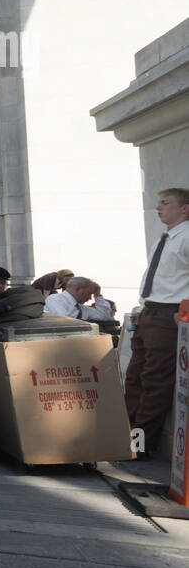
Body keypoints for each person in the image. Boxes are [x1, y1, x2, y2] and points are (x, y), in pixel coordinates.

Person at [125, 188, 189, 458]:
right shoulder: (165, 238)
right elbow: (155, 276)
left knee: (154, 380)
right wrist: (141, 306)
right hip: (150, 311)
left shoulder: (186, 237)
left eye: (165, 203)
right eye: (159, 203)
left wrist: (184, 311)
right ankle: (125, 436)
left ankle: (140, 446)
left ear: (184, 208)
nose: (159, 208)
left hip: (169, 314)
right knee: (135, 376)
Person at [44, 276, 115, 322]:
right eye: (89, 293)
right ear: (78, 289)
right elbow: (64, 321)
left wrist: (98, 295)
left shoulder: (81, 308)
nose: (90, 298)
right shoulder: (54, 299)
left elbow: (104, 317)